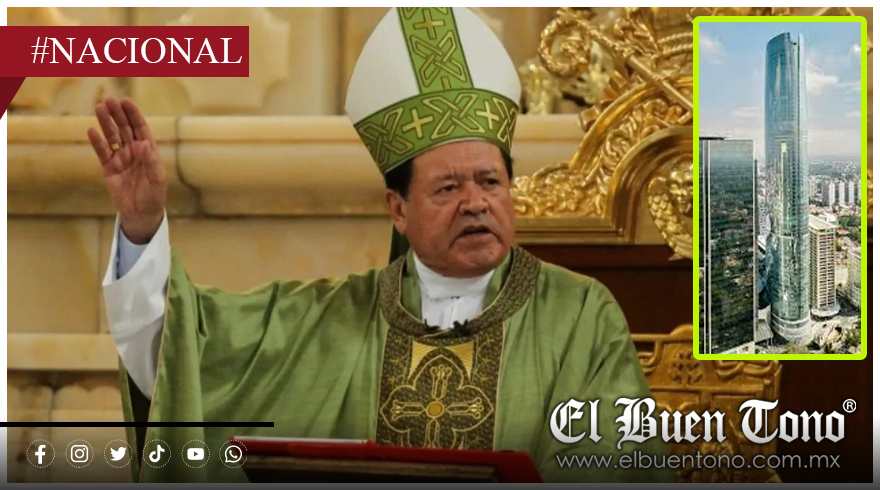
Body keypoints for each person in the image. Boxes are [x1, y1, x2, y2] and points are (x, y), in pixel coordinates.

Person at [93, 7, 675, 484]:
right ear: (398, 210)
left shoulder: (579, 316)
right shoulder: (325, 323)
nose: (475, 202)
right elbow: (178, 355)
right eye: (448, 188)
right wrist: (143, 227)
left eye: (490, 182)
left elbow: (618, 464)